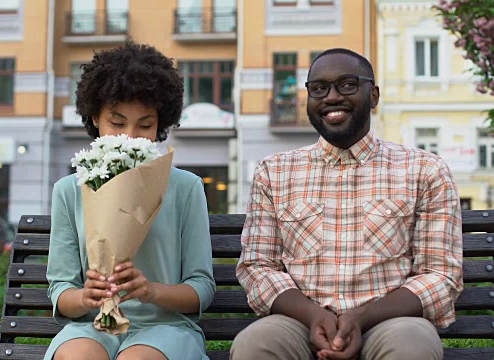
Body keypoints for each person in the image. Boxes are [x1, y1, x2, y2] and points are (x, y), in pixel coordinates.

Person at [231, 48, 463, 360]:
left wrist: (361, 318)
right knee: (255, 344)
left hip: (390, 322)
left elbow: (440, 274)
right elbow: (258, 266)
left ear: (374, 96)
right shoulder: (274, 171)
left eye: (348, 85)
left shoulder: (424, 170)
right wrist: (314, 316)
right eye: (319, 89)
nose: (331, 97)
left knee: (413, 346)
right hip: (300, 322)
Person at [44, 41, 216, 360]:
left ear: (161, 124)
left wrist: (152, 291)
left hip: (167, 329)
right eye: (118, 123)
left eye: (145, 125)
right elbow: (61, 290)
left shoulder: (186, 187)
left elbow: (201, 289)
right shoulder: (70, 190)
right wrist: (85, 297)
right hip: (92, 327)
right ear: (95, 118)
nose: (131, 137)